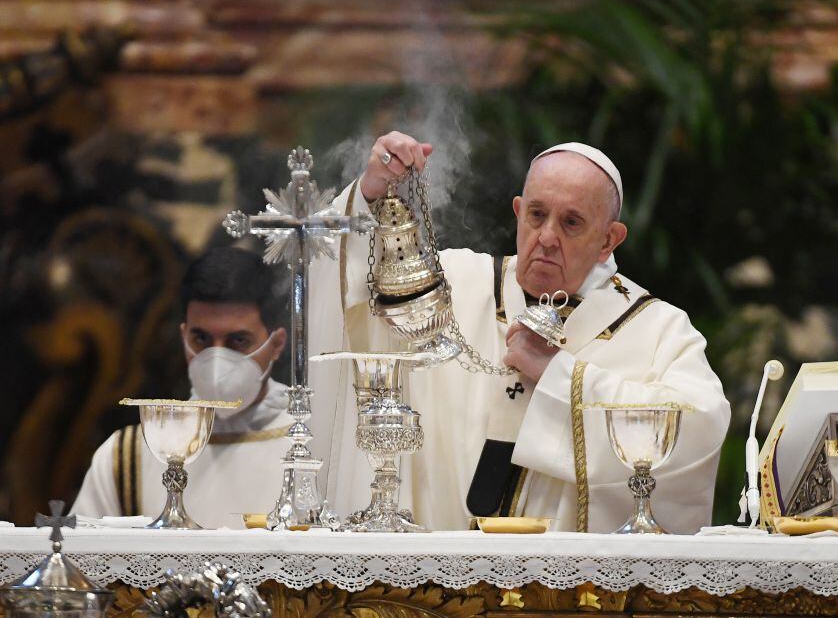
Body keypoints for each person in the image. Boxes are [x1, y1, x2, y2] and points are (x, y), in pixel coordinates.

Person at [308, 132, 730, 533]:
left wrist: (561, 376)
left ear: (609, 240)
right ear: (518, 211)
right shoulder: (451, 285)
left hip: (568, 578)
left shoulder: (656, 328)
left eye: (571, 222)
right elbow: (350, 289)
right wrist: (371, 194)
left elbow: (701, 427)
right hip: (436, 569)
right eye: (537, 215)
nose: (546, 237)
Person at [71, 247, 289, 528]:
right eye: (201, 339)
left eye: (238, 340)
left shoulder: (314, 448)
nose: (215, 359)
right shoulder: (126, 456)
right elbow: (82, 553)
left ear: (276, 344)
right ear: (183, 335)